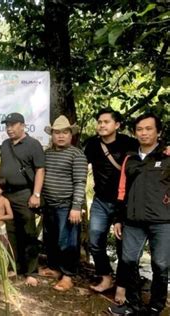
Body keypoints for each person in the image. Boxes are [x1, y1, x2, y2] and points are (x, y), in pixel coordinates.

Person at [108, 113, 169, 316]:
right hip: (133, 221)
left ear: (158, 132)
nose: (144, 133)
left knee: (160, 264)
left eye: (149, 128)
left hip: (162, 221)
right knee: (128, 262)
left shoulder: (167, 156)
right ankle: (132, 305)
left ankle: (155, 307)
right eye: (140, 129)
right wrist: (118, 219)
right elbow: (122, 191)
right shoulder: (130, 159)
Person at [84, 109, 138, 302]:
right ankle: (106, 276)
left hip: (124, 203)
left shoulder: (130, 144)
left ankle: (123, 286)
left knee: (124, 246)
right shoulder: (92, 144)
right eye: (99, 121)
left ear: (117, 125)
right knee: (95, 241)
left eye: (106, 122)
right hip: (100, 201)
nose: (102, 125)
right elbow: (81, 164)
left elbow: (150, 155)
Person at [41, 116, 88, 291]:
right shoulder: (47, 153)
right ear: (52, 134)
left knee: (67, 242)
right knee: (51, 239)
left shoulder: (77, 154)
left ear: (71, 135)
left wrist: (76, 207)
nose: (61, 136)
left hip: (67, 206)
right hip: (49, 204)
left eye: (65, 132)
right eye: (57, 132)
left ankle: (68, 275)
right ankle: (54, 268)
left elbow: (80, 182)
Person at [0, 112, 44, 286]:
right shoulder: (4, 144)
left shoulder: (33, 144)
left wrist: (36, 194)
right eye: (7, 126)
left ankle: (31, 271)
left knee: (28, 232)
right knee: (10, 232)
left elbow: (40, 169)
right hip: (6, 194)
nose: (9, 129)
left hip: (25, 194)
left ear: (22, 125)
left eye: (12, 125)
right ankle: (14, 267)